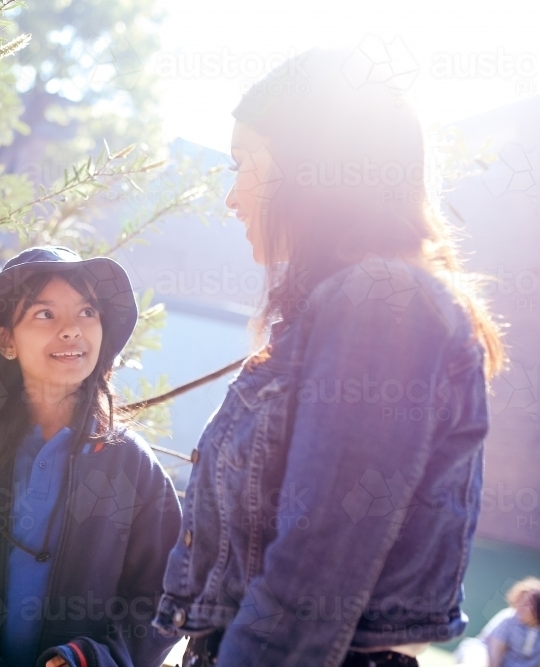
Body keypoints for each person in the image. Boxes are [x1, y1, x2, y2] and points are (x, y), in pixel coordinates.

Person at [152, 49, 506, 666]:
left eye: (243, 166)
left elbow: (317, 562)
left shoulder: (381, 302)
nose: (231, 196)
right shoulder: (346, 305)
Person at [0, 246, 182, 667]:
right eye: (45, 314)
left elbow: (163, 598)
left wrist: (91, 659)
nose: (72, 330)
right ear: (6, 340)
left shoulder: (132, 465)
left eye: (87, 312)